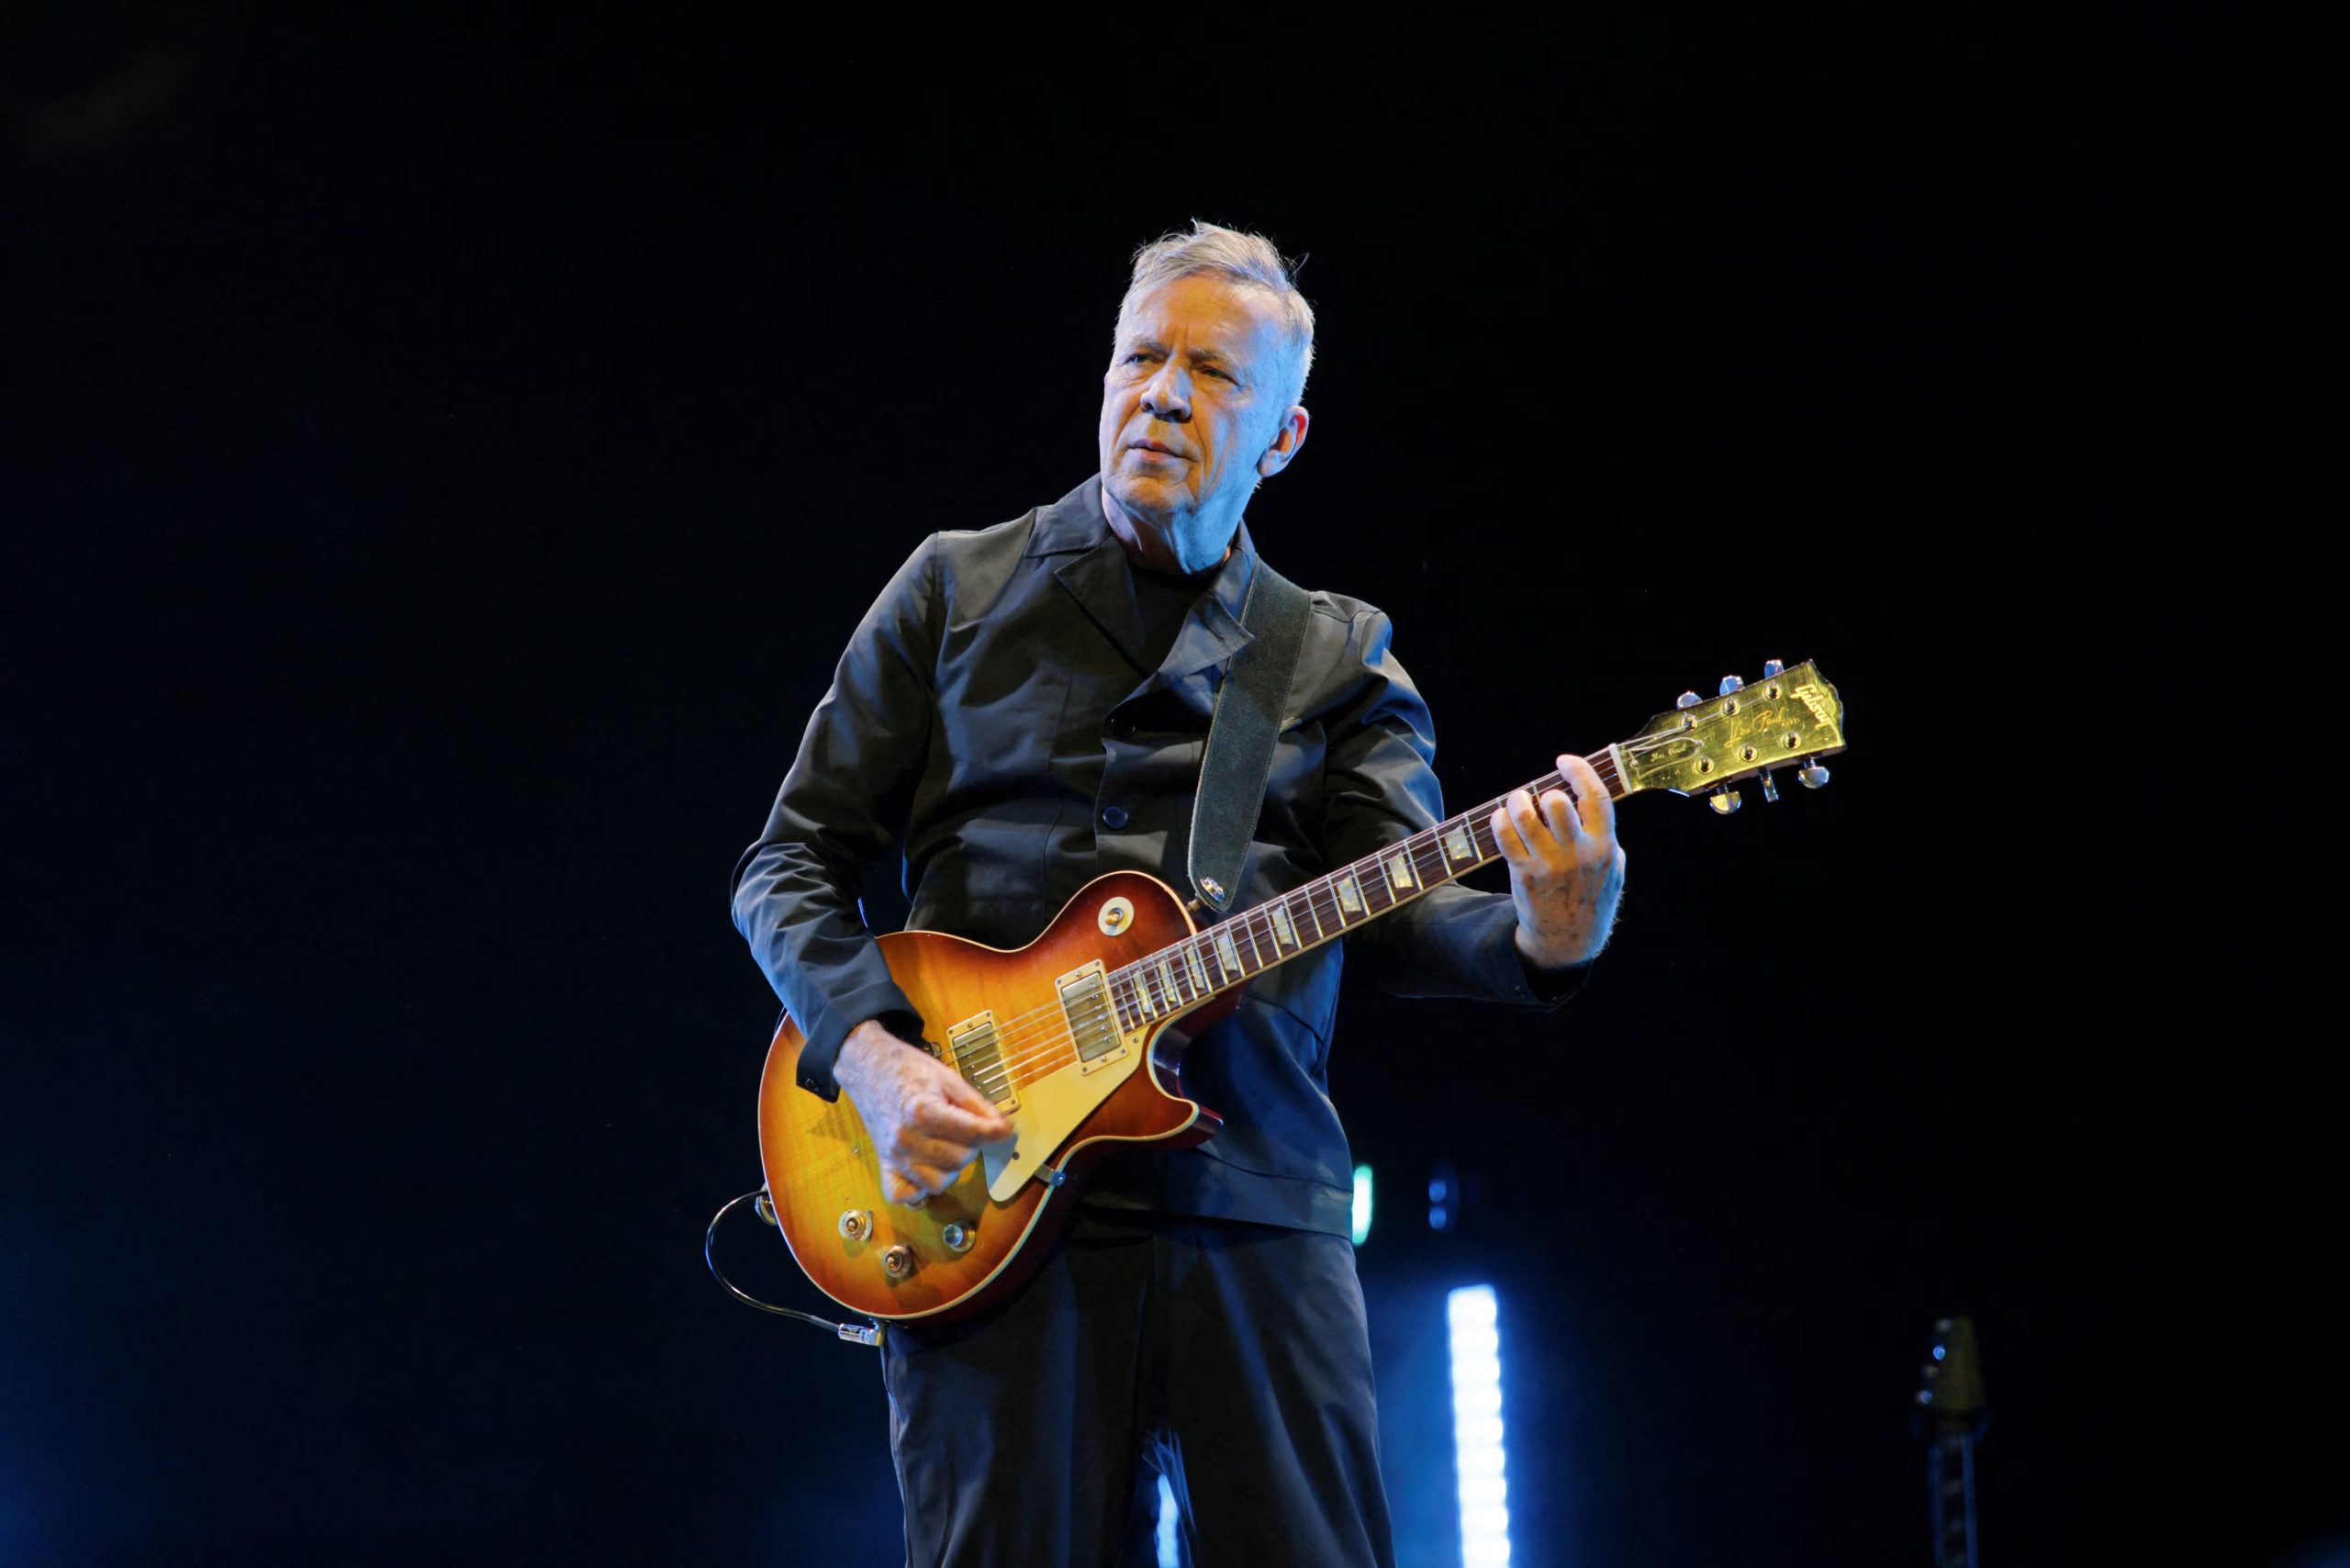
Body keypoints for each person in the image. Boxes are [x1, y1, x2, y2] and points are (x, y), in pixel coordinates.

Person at [731, 220, 1626, 1568]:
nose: (1159, 393)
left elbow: (1401, 899)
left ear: (1283, 437)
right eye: (1139, 357)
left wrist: (1547, 934)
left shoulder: (1335, 650)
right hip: (986, 1197)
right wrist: (873, 1058)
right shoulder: (952, 589)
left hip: (1254, 1205)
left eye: (1210, 372)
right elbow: (786, 861)